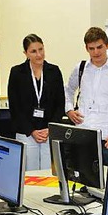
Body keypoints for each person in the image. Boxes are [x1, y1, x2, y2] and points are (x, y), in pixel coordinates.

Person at [64, 27, 108, 164]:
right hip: (82, 134)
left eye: (99, 47)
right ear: (86, 48)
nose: (96, 52)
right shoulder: (80, 68)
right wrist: (69, 110)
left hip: (107, 138)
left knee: (107, 181)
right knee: (81, 179)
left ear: (107, 45)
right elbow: (68, 90)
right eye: (91, 48)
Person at [8, 34, 65, 170]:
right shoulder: (17, 73)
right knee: (29, 174)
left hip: (48, 132)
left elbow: (60, 104)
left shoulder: (54, 71)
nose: (39, 55)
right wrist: (31, 131)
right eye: (33, 51)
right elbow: (15, 108)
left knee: (48, 174)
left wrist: (50, 128)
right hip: (26, 132)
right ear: (26, 53)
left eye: (41, 49)